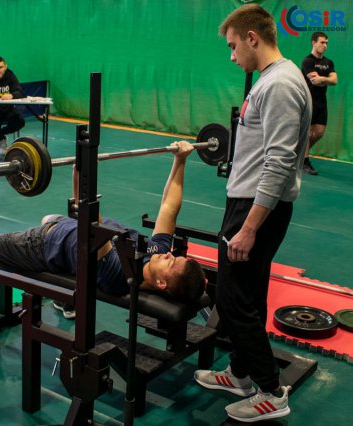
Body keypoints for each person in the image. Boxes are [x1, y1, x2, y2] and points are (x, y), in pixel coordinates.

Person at [0, 141, 206, 350]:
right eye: (175, 256)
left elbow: (88, 216)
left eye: (172, 261)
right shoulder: (156, 255)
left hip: (41, 246)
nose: (170, 254)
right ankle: (65, 302)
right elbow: (169, 206)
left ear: (161, 284)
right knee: (48, 217)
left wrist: (82, 167)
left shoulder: (119, 273)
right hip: (64, 233)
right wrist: (180, 160)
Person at [193, 5, 311, 423]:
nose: (231, 56)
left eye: (232, 46)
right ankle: (241, 373)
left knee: (232, 299)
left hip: (254, 208)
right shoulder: (275, 80)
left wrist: (248, 228)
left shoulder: (278, 84)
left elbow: (279, 162)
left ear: (252, 38)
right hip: (249, 200)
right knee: (248, 294)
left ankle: (270, 390)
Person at [301, 32, 337, 175]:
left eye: (327, 43)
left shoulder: (329, 62)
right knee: (307, 132)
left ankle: (301, 153)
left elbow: (334, 81)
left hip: (322, 102)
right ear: (313, 43)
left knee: (319, 133)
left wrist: (323, 80)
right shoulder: (307, 61)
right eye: (322, 42)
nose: (325, 46)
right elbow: (314, 80)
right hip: (308, 100)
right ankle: (304, 161)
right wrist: (326, 78)